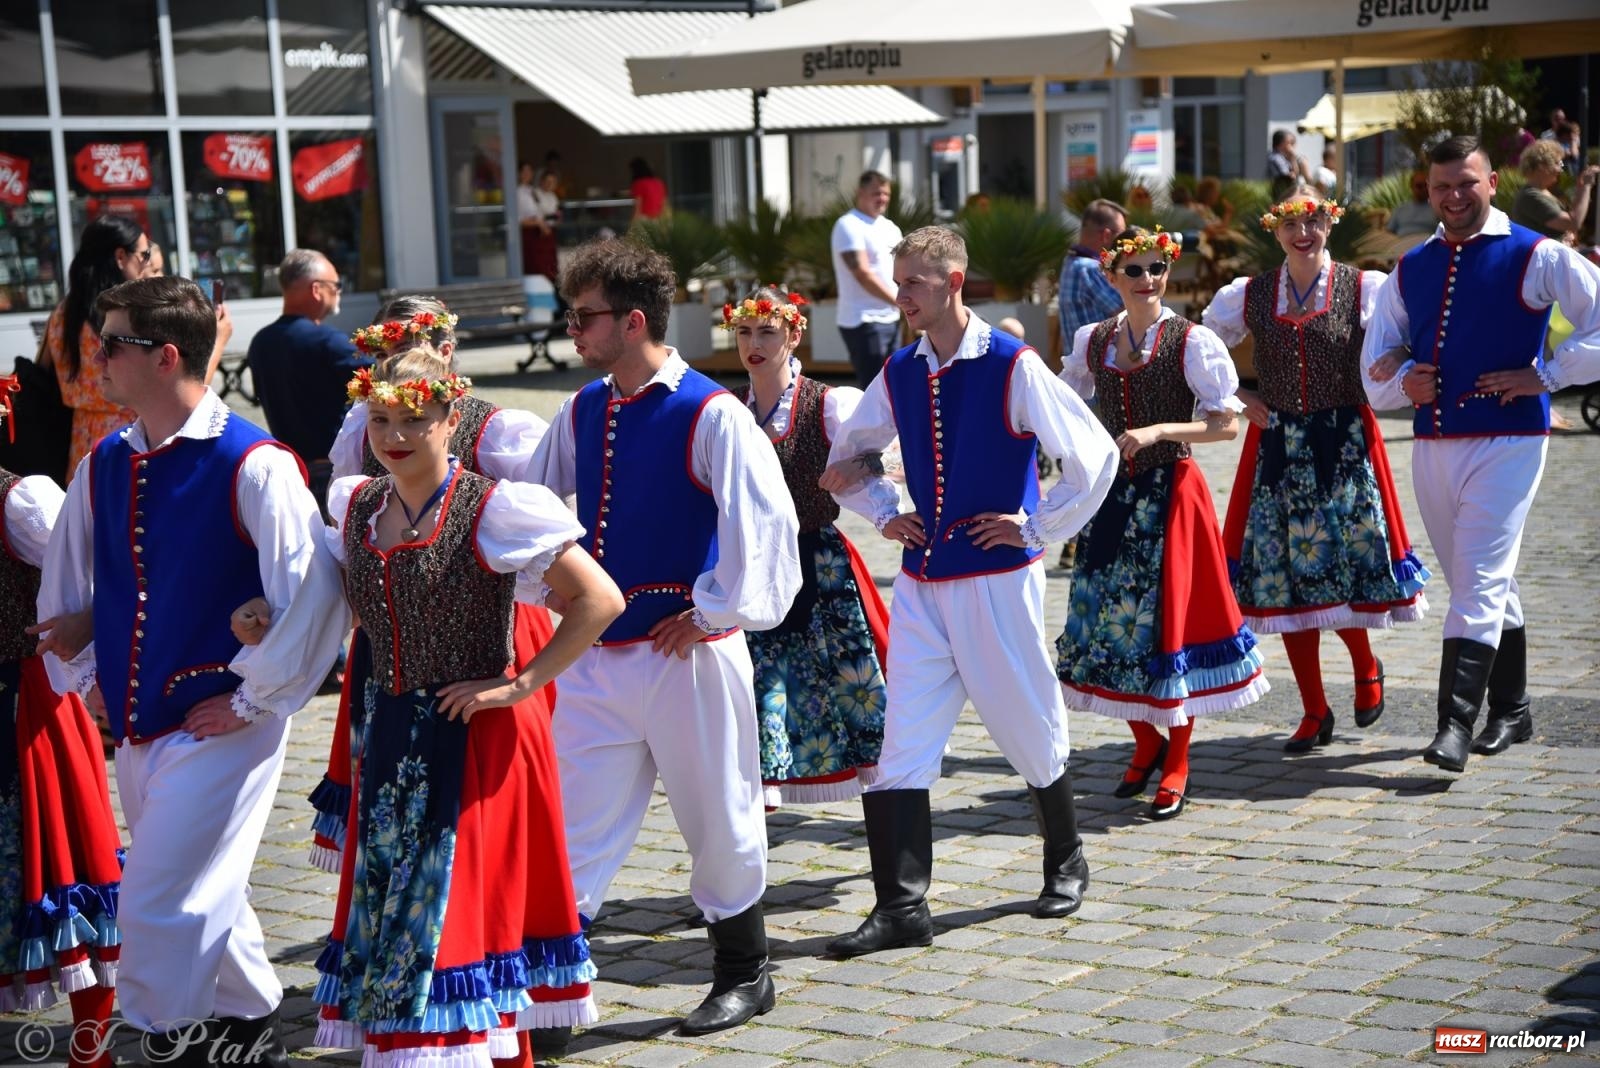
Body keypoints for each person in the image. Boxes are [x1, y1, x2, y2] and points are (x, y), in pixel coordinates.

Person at [34, 276, 347, 1065]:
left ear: (167, 355)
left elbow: (314, 599)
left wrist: (252, 700)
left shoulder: (254, 465)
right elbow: (69, 589)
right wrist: (91, 670)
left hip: (220, 722)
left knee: (159, 896)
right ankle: (250, 1029)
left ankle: (164, 1040)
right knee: (205, 883)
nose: (96, 356)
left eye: (112, 343)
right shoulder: (106, 461)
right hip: (139, 724)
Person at [288, 348, 621, 1068]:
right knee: (401, 910)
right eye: (381, 418)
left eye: (414, 419)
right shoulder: (356, 503)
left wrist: (521, 683)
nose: (394, 435)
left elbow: (599, 599)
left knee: (459, 917)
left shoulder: (494, 508)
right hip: (386, 737)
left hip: (471, 743)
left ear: (450, 416)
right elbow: (335, 604)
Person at [819, 226, 1119, 956]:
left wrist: (1035, 526)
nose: (902, 296)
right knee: (902, 742)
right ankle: (900, 905)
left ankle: (1065, 856)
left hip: (995, 581)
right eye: (899, 283)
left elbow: (1094, 455)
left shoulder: (1012, 364)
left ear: (953, 281)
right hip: (924, 585)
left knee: (1026, 721)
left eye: (914, 283)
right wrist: (889, 514)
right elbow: (846, 462)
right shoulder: (899, 372)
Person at [528, 239, 801, 1036]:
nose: (573, 330)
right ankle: (547, 997)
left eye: (585, 317)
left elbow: (766, 524)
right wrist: (546, 582)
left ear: (633, 320)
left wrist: (717, 610)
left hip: (689, 654)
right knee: (572, 822)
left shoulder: (709, 411)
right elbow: (533, 510)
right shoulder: (584, 408)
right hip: (599, 659)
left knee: (718, 813)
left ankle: (745, 972)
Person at [1361, 135, 1600, 772]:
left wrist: (1547, 374)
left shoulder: (1538, 253)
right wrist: (1402, 380)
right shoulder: (1412, 266)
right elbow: (1377, 359)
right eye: (1442, 186)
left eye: (1466, 183)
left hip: (1511, 437)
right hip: (1435, 440)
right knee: (1477, 577)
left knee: (1481, 579)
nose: (1454, 196)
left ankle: (1453, 726)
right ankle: (1515, 708)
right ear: (1428, 189)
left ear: (1492, 182)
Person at [1204, 194, 1428, 754]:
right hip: (1280, 446)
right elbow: (1201, 348)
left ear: (1330, 223)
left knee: (1341, 570)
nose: (1303, 232)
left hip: (1343, 443)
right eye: (1291, 225)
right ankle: (1312, 708)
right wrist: (1236, 395)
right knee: (1285, 580)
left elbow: (1406, 332)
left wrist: (1395, 357)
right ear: (1275, 233)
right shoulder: (1251, 294)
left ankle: (1363, 665)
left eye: (1313, 222)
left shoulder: (1366, 287)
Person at [1056, 227, 1264, 820]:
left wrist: (1159, 430)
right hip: (1114, 496)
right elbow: (1064, 407)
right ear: (1111, 277)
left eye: (1157, 267)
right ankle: (1144, 742)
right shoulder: (1092, 340)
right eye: (1135, 269)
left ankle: (1178, 757)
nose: (1148, 278)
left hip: (1173, 491)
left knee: (1171, 621)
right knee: (1110, 619)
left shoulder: (1192, 341)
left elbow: (1226, 424)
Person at [723, 287, 890, 805]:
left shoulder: (828, 403)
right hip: (752, 565)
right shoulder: (726, 412)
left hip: (818, 560)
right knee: (762, 678)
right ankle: (763, 795)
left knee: (847, 681)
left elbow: (894, 455)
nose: (754, 343)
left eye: (767, 332)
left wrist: (873, 491)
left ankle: (888, 797)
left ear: (794, 335)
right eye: (745, 332)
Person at [0, 388, 121, 1068]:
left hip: (25, 709)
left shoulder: (21, 503)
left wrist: (98, 672)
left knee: (71, 868)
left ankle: (90, 1046)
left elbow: (97, 582)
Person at [247, 248, 371, 511]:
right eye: (336, 285)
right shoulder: (328, 342)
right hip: (335, 473)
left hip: (290, 471)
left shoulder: (260, 342)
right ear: (316, 289)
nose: (339, 291)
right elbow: (388, 382)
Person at [39, 216, 149, 475]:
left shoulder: (63, 313)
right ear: (120, 257)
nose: (146, 265)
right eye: (144, 256)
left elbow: (42, 369)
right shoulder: (127, 314)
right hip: (128, 441)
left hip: (79, 443)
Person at [832, 170, 904, 388]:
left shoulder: (890, 227)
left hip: (891, 318)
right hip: (862, 320)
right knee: (874, 388)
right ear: (860, 193)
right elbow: (862, 273)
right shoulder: (848, 225)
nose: (881, 198)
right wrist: (899, 301)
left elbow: (902, 269)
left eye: (886, 194)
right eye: (876, 193)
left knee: (894, 385)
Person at [1058, 199, 1128, 358]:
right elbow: (1135, 313)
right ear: (1106, 235)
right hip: (1100, 372)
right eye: (1123, 234)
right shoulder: (1091, 269)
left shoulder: (1071, 262)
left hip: (1083, 370)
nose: (1125, 243)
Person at [1511, 140, 1598, 242]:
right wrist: (1586, 186)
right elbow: (1573, 223)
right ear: (1542, 166)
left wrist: (1580, 187)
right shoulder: (1530, 197)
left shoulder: (1541, 191)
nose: (1560, 169)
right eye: (1558, 163)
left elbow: (1569, 224)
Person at [518, 163, 562, 285]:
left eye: (529, 172)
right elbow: (524, 218)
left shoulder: (536, 192)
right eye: (524, 172)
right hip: (533, 233)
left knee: (550, 268)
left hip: (546, 232)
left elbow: (543, 213)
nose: (549, 184)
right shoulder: (522, 192)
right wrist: (539, 223)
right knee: (537, 269)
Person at [1386, 172, 1439, 237]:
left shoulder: (1437, 210)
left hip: (1427, 244)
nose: (1424, 189)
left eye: (1426, 185)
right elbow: (1389, 233)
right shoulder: (1400, 209)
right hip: (1402, 244)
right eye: (1419, 186)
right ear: (1412, 187)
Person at [1267, 130, 1310, 200]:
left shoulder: (1282, 157)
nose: (1293, 145)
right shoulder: (1275, 157)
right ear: (1282, 143)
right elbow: (1292, 176)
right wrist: (1293, 158)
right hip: (1281, 195)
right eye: (1290, 142)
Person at [629, 157, 667, 223]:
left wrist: (633, 223)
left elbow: (638, 207)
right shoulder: (658, 182)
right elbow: (663, 202)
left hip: (645, 219)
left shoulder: (638, 183)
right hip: (659, 218)